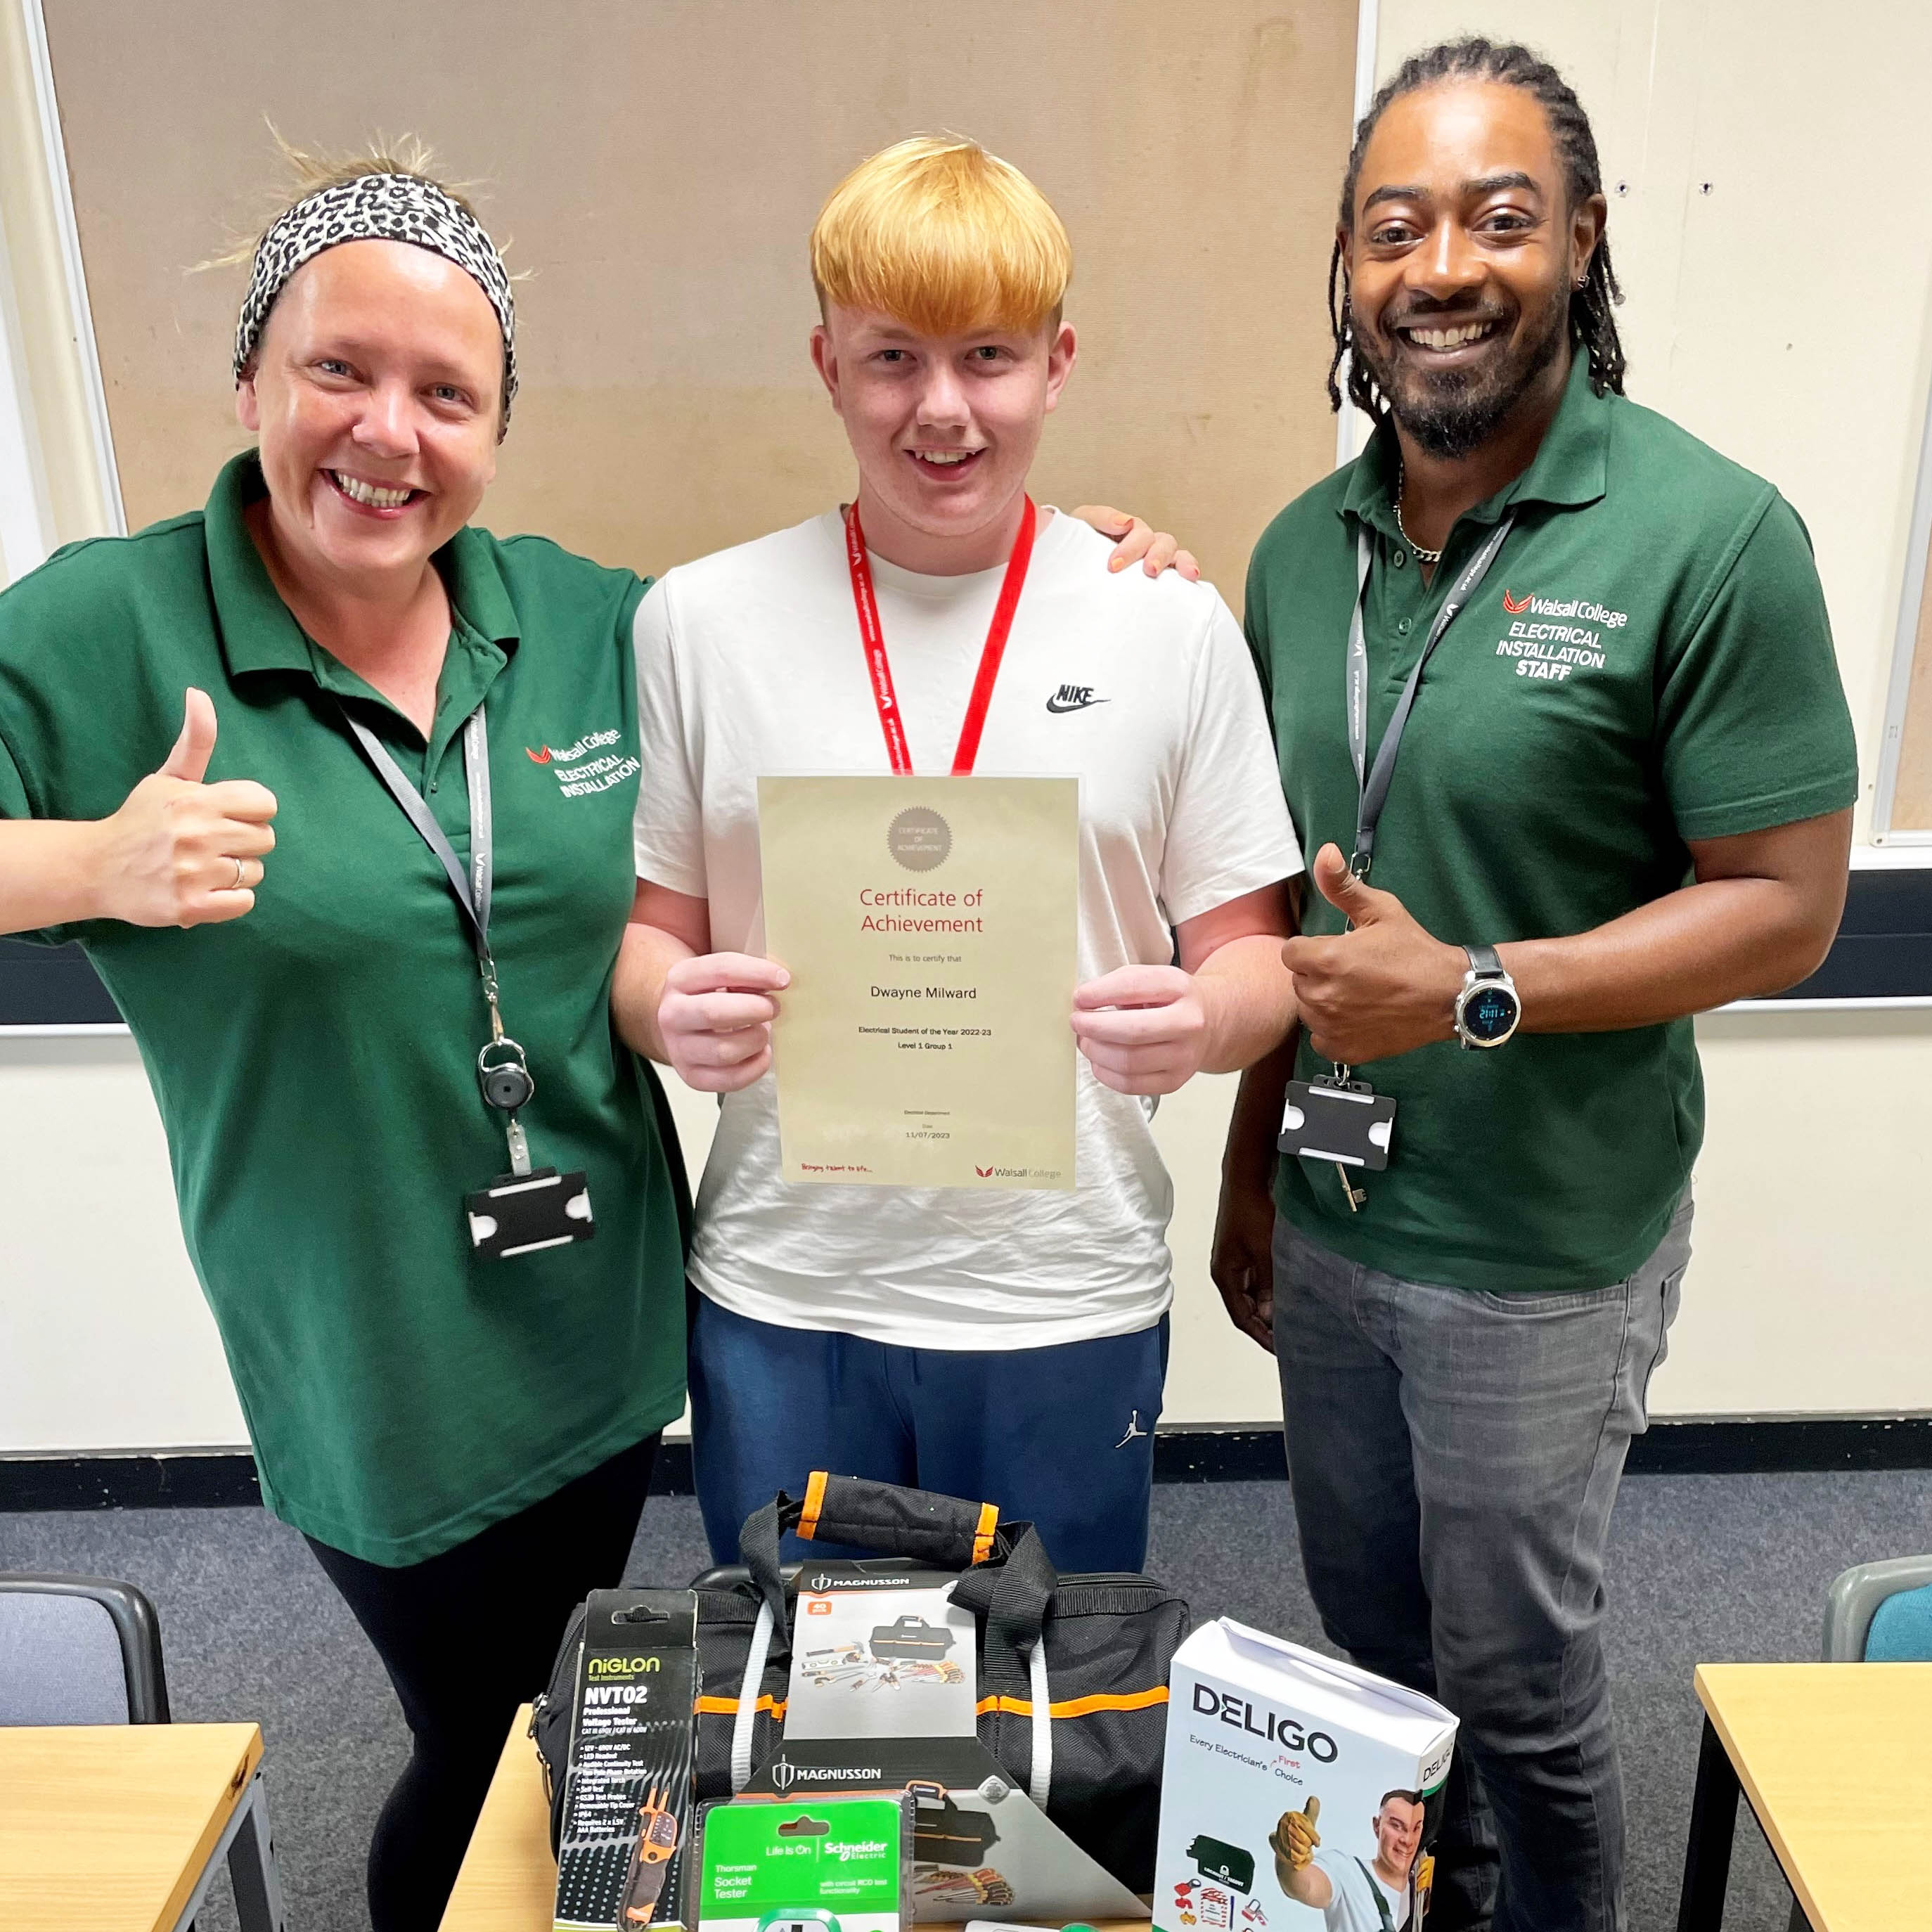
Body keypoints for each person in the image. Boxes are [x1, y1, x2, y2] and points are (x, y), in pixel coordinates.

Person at [0, 139, 1181, 1929]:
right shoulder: (103, 622)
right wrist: (86, 859)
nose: (388, 433)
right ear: (251, 375)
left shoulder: (577, 619)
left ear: (491, 428)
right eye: (337, 370)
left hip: (614, 1325)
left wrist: (1073, 547)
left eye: (444, 392)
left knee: (619, 1722)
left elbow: (836, 654)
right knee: (487, 1753)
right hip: (380, 1354)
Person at [1213, 39, 1857, 1932]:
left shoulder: (1704, 535)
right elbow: (1296, 917)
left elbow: (1783, 907)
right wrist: (1252, 1167)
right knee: (1375, 1630)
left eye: (1500, 217)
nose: (1442, 263)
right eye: (1391, 223)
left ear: (1579, 243)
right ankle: (1445, 1892)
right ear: (1344, 272)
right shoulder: (1289, 555)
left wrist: (1475, 988)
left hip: (1544, 1245)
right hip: (1335, 1211)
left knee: (1514, 1675)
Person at [614, 136, 1303, 1572]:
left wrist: (1202, 1022)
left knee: (1043, 1724)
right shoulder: (698, 620)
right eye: (891, 360)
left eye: (986, 356)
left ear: (1057, 362)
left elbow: (1258, 959)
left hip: (1058, 1289)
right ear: (825, 364)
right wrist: (660, 1009)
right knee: (799, 1728)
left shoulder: (1169, 626)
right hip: (789, 1287)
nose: (943, 409)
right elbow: (651, 931)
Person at [1273, 1792, 1428, 1931]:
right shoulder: (1347, 1871)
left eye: (1416, 1828)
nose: (1407, 1840)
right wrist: (1290, 1858)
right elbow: (1305, 1886)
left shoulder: (1421, 1881)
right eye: (1396, 1826)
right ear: (1377, 1826)